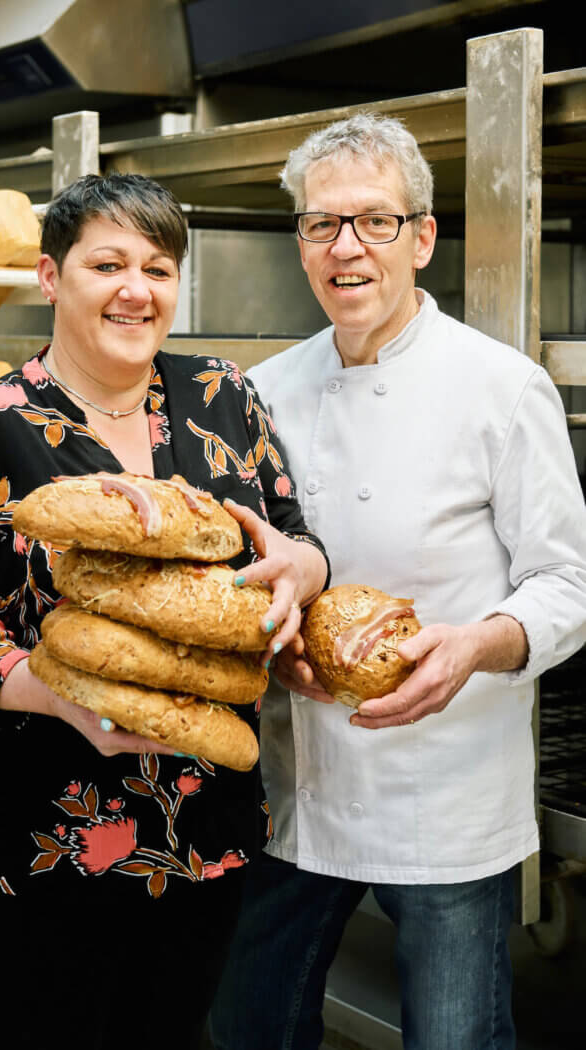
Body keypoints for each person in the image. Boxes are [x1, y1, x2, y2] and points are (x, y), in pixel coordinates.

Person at [0, 173, 328, 1050]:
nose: (137, 289)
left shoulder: (220, 397)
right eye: (109, 264)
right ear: (52, 277)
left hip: (201, 823)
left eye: (159, 268)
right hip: (30, 829)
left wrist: (306, 568)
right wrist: (48, 693)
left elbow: (289, 533)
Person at [209, 112, 586, 1049]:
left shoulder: (502, 388)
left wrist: (470, 647)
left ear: (421, 236)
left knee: (453, 1040)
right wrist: (276, 640)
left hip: (446, 795)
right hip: (302, 785)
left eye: (374, 221)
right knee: (250, 1025)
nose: (347, 248)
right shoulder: (263, 391)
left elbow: (566, 583)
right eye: (320, 223)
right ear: (299, 242)